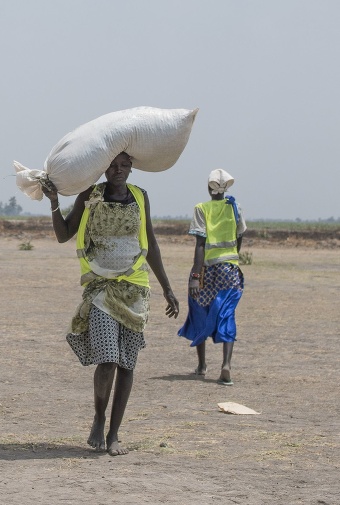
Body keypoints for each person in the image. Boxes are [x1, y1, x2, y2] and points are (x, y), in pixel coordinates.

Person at [41, 152, 179, 456]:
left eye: (124, 166)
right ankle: (99, 417)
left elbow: (151, 243)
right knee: (107, 361)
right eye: (112, 166)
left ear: (131, 168)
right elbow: (65, 234)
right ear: (104, 169)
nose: (118, 171)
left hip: (135, 289)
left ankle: (115, 433)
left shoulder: (141, 197)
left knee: (127, 364)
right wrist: (53, 202)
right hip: (101, 288)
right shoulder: (90, 196)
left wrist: (167, 287)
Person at [178, 169, 246, 386]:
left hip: (208, 270)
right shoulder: (234, 207)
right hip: (230, 271)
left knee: (199, 309)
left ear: (209, 188)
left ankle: (202, 365)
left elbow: (200, 245)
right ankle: (226, 365)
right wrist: (233, 259)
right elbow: (239, 237)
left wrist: (195, 276)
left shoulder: (201, 209)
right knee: (227, 314)